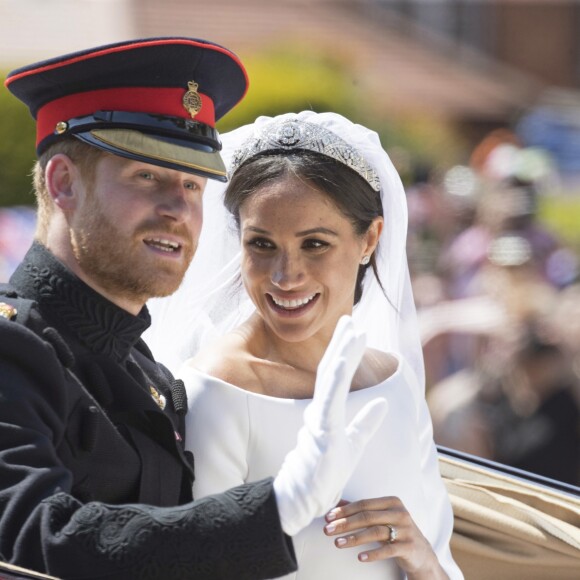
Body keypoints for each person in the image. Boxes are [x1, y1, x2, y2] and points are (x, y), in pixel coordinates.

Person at [0, 40, 387, 579]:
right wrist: (277, 507)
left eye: (192, 183)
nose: (179, 209)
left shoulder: (147, 373)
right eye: (147, 177)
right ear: (64, 183)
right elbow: (30, 541)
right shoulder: (12, 350)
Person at [146, 112, 463, 579]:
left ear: (369, 239)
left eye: (315, 244)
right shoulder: (218, 389)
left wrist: (423, 560)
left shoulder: (393, 380)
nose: (285, 276)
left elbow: (440, 558)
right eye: (262, 244)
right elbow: (203, 564)